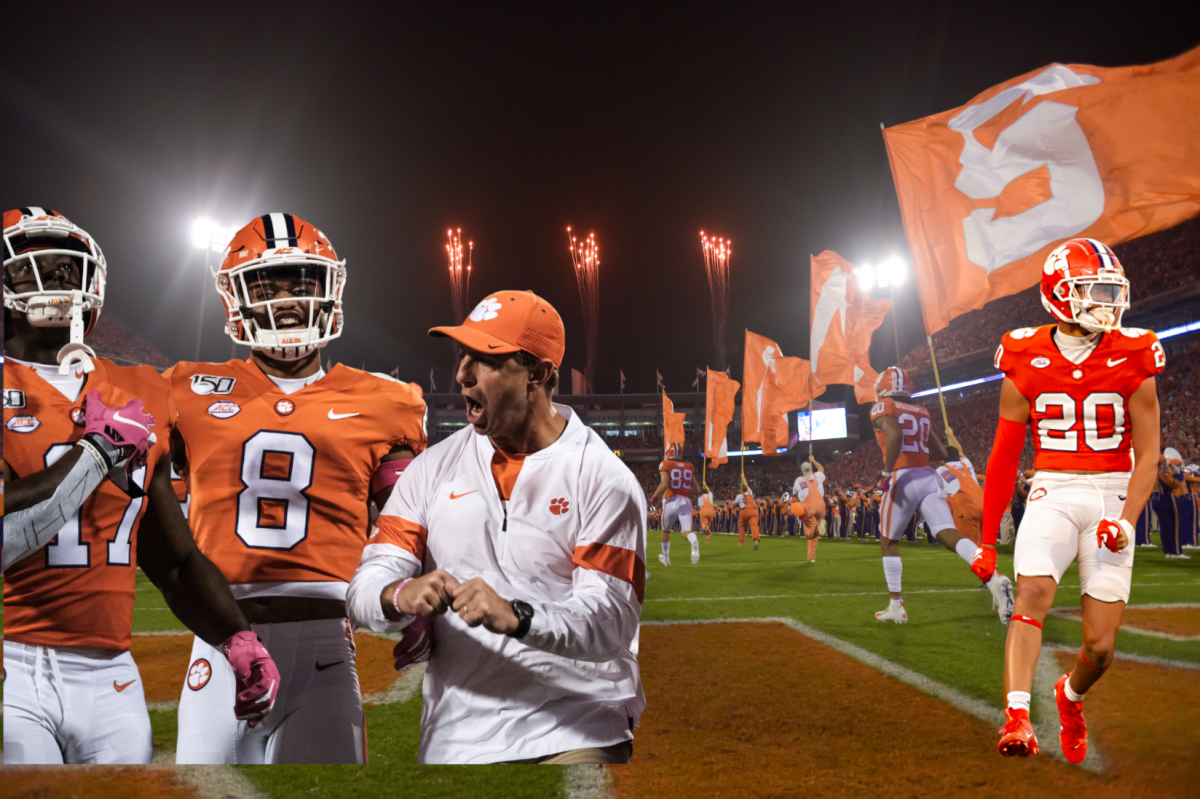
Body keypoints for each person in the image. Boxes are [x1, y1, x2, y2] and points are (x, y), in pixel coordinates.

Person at [2, 207, 278, 764]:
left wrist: (235, 636)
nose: (56, 276)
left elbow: (172, 561)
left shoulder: (137, 388)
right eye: (37, 263)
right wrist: (96, 451)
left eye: (65, 264)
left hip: (112, 676)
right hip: (15, 664)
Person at [165, 213, 427, 764]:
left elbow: (408, 519)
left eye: (301, 282)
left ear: (330, 289)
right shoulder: (182, 390)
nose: (285, 298)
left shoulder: (387, 402)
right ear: (234, 296)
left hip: (327, 643)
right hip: (222, 638)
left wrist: (420, 591)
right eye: (266, 283)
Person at [346, 290, 646, 764]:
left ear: (539, 374)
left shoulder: (605, 479)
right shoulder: (429, 470)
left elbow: (610, 619)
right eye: (462, 355)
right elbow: (366, 585)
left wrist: (518, 615)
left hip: (576, 723)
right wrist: (399, 594)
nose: (462, 373)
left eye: (485, 358)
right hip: (458, 733)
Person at [981, 238, 1163, 762]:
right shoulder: (1022, 352)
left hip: (1112, 489)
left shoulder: (1135, 350)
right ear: (1060, 294)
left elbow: (1148, 453)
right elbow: (1003, 456)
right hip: (1054, 486)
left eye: (1113, 290)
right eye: (1096, 290)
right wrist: (988, 537)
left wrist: (1127, 521)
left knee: (1100, 647)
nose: (1109, 302)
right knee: (1033, 589)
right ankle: (1016, 718)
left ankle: (1070, 696)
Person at [870, 366, 1015, 625]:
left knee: (889, 542)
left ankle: (896, 606)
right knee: (949, 535)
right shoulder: (922, 411)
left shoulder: (883, 406)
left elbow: (895, 435)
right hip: (927, 477)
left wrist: (885, 473)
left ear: (883, 387)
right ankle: (993, 578)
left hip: (902, 477)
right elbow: (940, 451)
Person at [650, 442, 699, 564]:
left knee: (666, 531)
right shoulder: (689, 465)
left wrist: (654, 497)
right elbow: (697, 489)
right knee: (686, 531)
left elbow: (664, 484)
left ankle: (666, 559)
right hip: (686, 501)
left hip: (672, 501)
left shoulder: (666, 464)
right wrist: (684, 490)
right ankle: (693, 541)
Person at [792, 455, 827, 562]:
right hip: (821, 506)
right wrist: (814, 460)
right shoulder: (818, 476)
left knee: (809, 534)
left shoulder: (799, 480)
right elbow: (821, 469)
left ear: (802, 471)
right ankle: (821, 521)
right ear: (811, 468)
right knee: (813, 533)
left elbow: (794, 493)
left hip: (808, 507)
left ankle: (811, 557)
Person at [735, 473, 760, 549]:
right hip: (754, 511)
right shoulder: (750, 492)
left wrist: (736, 506)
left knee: (741, 525)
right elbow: (747, 484)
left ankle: (742, 541)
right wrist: (743, 477)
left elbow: (735, 505)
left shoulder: (739, 496)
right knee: (754, 526)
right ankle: (756, 540)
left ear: (741, 489)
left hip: (745, 511)